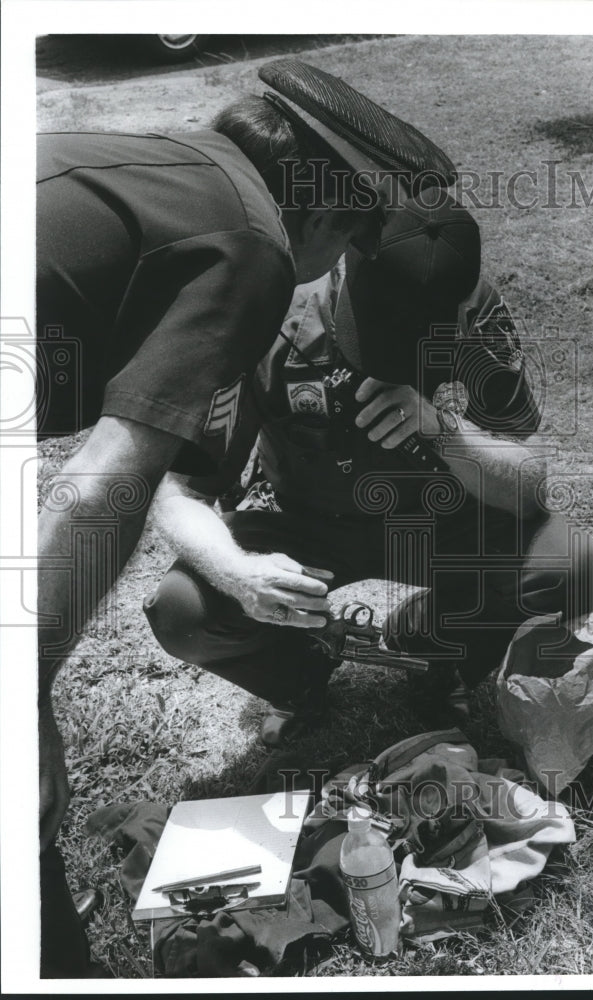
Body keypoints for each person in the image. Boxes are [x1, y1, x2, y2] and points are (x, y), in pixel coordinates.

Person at [36, 58, 457, 977]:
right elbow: (114, 479)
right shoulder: (254, 247)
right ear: (328, 215)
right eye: (351, 242)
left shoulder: (150, 162)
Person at [143, 188, 593, 746]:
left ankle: (435, 646)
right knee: (182, 610)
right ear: (347, 262)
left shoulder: (475, 310)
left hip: (439, 515)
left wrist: (445, 430)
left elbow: (530, 486)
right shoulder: (272, 312)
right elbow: (179, 490)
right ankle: (302, 675)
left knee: (574, 565)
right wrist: (238, 574)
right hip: (303, 519)